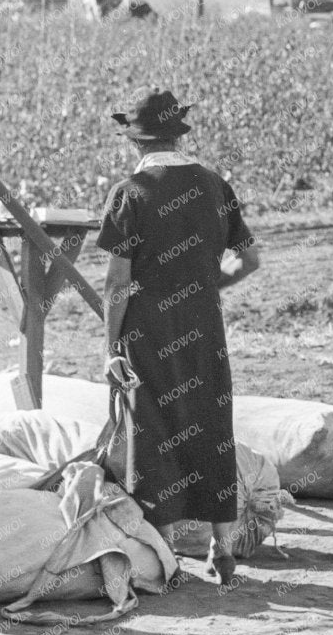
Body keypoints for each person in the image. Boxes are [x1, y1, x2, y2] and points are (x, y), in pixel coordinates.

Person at [96, 87, 262, 584]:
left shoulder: (130, 193)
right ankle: (223, 548)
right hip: (205, 327)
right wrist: (210, 285)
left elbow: (117, 282)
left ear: (135, 140)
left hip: (149, 331)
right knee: (211, 427)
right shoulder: (215, 186)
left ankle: (165, 552)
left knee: (155, 432)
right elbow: (250, 259)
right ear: (178, 134)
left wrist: (110, 348)